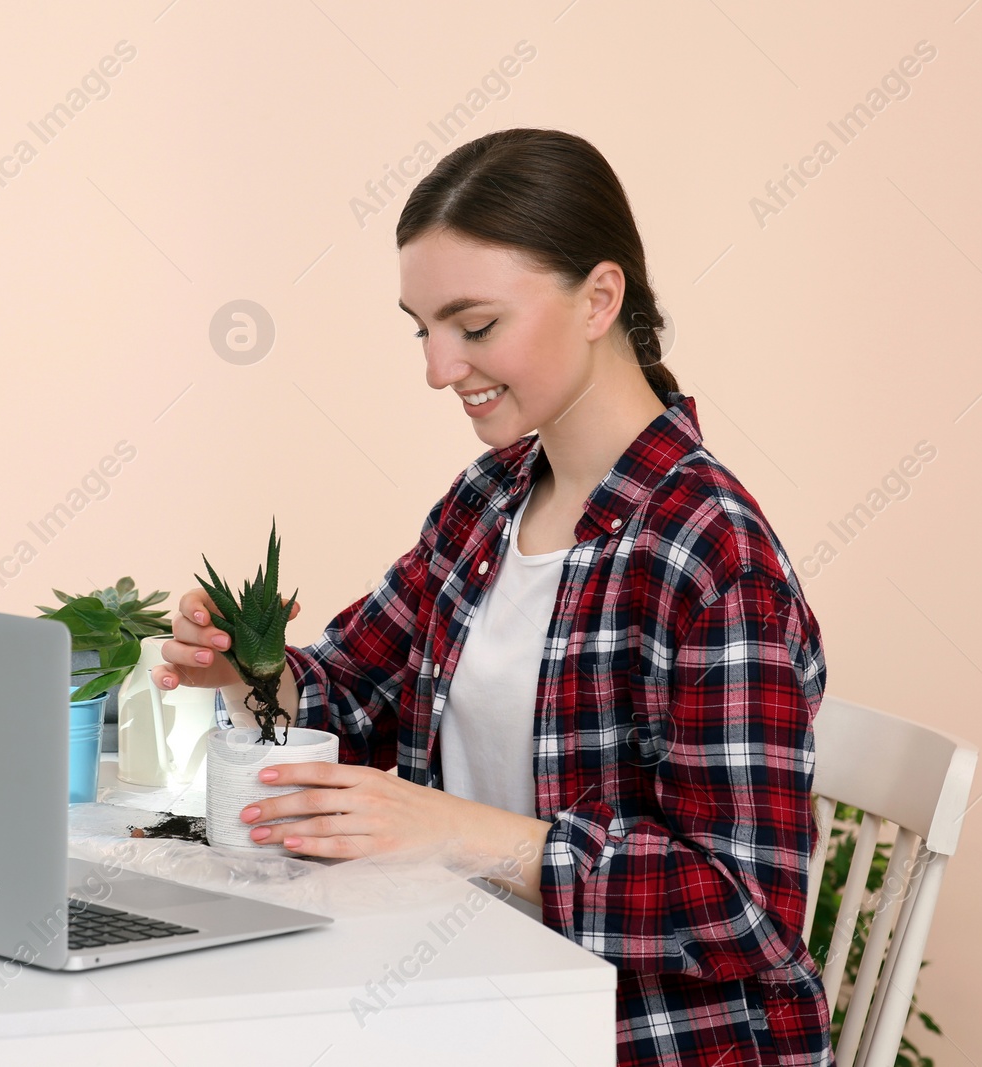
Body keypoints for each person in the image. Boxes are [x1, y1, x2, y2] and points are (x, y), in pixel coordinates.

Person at [153, 127, 833, 1067]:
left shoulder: (713, 557)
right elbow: (349, 699)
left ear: (600, 298)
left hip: (636, 1040)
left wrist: (462, 833)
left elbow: (744, 908)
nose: (438, 367)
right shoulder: (489, 501)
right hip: (468, 999)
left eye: (474, 327)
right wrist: (242, 668)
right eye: (422, 328)